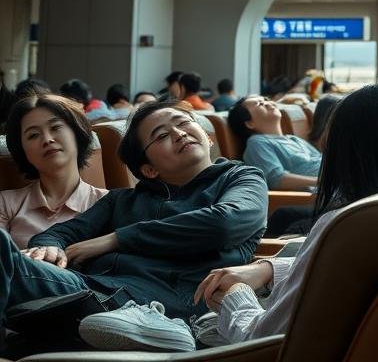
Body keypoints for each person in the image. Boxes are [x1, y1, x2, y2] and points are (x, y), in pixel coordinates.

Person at [190, 82, 378, 345]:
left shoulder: (346, 227)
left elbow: (261, 338)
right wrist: (268, 270)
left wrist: (235, 293)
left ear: (345, 151)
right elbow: (339, 270)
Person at [14, 101, 267, 327]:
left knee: (11, 269)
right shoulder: (121, 200)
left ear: (208, 138)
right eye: (162, 135)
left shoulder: (241, 178)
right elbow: (60, 233)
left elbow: (223, 223)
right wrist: (49, 247)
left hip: (169, 301)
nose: (179, 134)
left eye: (184, 124)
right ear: (149, 170)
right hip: (93, 288)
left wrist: (117, 238)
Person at [0, 95, 108, 247]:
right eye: (33, 135)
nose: (47, 139)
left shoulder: (110, 203)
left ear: (76, 133)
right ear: (22, 150)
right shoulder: (5, 204)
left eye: (56, 127)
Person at [227, 97, 321, 191]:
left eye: (266, 100)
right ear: (250, 123)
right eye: (260, 104)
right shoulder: (257, 142)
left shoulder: (293, 139)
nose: (268, 103)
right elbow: (276, 179)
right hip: (321, 193)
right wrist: (322, 182)